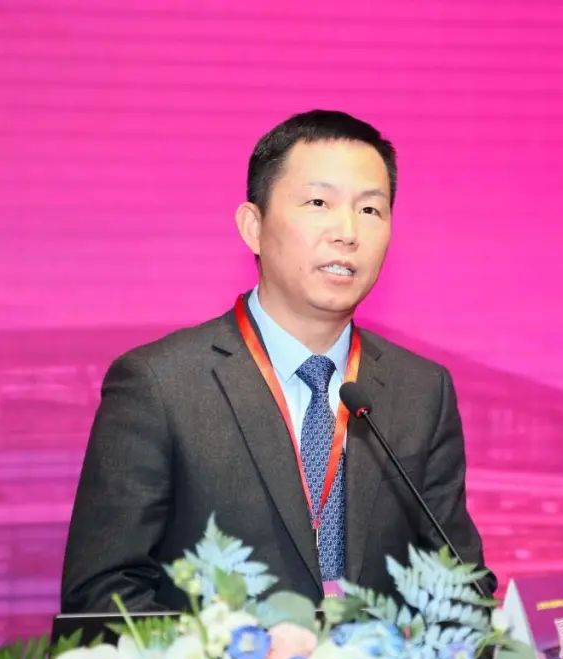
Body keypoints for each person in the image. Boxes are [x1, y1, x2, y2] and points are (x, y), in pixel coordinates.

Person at [61, 109, 494, 612]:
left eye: (370, 210)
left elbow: (459, 583)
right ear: (254, 226)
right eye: (318, 202)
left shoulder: (421, 390)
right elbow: (103, 596)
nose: (348, 232)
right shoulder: (160, 384)